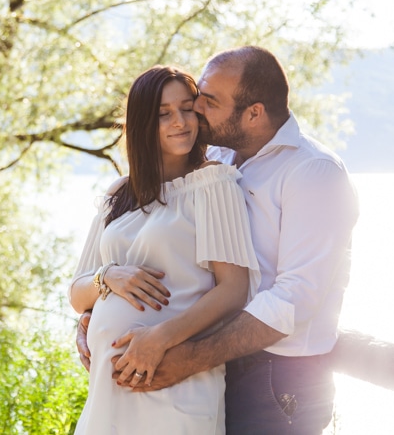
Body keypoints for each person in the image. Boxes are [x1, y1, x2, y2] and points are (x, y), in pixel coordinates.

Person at [76, 46, 360, 434]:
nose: (195, 112)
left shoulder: (313, 172)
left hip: (275, 375)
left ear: (254, 113)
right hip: (211, 361)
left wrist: (190, 356)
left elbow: (295, 299)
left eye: (208, 102)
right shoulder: (221, 157)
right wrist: (96, 314)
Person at [69, 65, 261, 434]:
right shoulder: (118, 194)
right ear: (141, 123)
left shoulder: (213, 184)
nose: (181, 122)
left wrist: (159, 340)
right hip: (111, 387)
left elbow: (233, 290)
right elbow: (78, 294)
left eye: (188, 108)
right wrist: (108, 276)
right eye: (164, 114)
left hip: (175, 382)